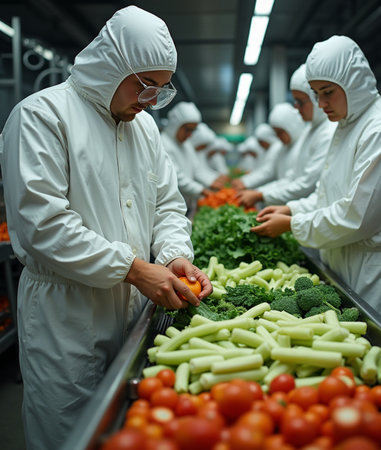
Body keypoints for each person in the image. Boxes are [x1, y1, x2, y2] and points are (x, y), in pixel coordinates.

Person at [0, 6, 212, 450]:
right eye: (145, 86)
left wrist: (174, 255)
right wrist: (134, 268)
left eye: (161, 89)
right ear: (112, 65)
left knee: (128, 427)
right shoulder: (42, 116)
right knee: (68, 433)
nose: (151, 100)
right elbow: (44, 226)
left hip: (135, 306)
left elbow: (168, 207)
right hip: (67, 316)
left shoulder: (146, 131)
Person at [252, 35, 381, 345]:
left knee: (378, 359)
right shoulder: (347, 126)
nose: (322, 104)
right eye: (316, 94)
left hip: (375, 274)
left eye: (328, 92)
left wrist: (292, 224)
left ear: (354, 83)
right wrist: (293, 209)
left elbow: (357, 215)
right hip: (344, 260)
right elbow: (327, 195)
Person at [237, 65, 335, 208]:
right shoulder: (310, 132)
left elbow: (307, 184)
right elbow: (291, 178)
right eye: (295, 102)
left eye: (301, 102)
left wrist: (261, 195)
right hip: (298, 215)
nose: (297, 108)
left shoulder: (328, 133)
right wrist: (259, 192)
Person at [236, 102, 304, 207]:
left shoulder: (301, 145)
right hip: (284, 201)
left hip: (299, 205)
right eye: (275, 133)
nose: (278, 137)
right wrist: (256, 190)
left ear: (291, 127)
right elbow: (277, 175)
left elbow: (297, 182)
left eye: (280, 132)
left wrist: (259, 193)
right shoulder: (283, 147)